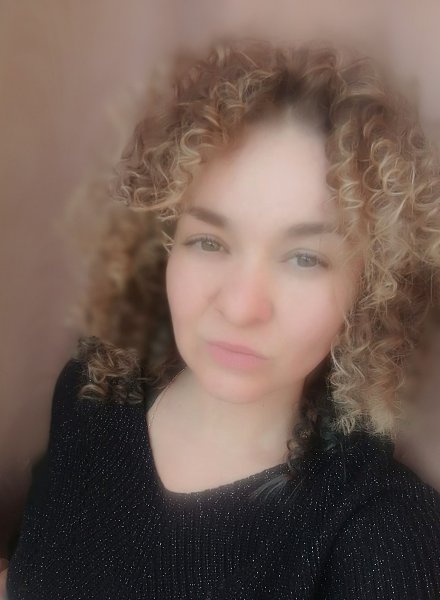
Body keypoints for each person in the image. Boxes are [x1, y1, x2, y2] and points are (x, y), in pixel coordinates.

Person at [4, 36, 440, 599]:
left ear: (370, 286)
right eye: (209, 242)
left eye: (304, 258)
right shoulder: (91, 394)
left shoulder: (383, 534)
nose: (240, 306)